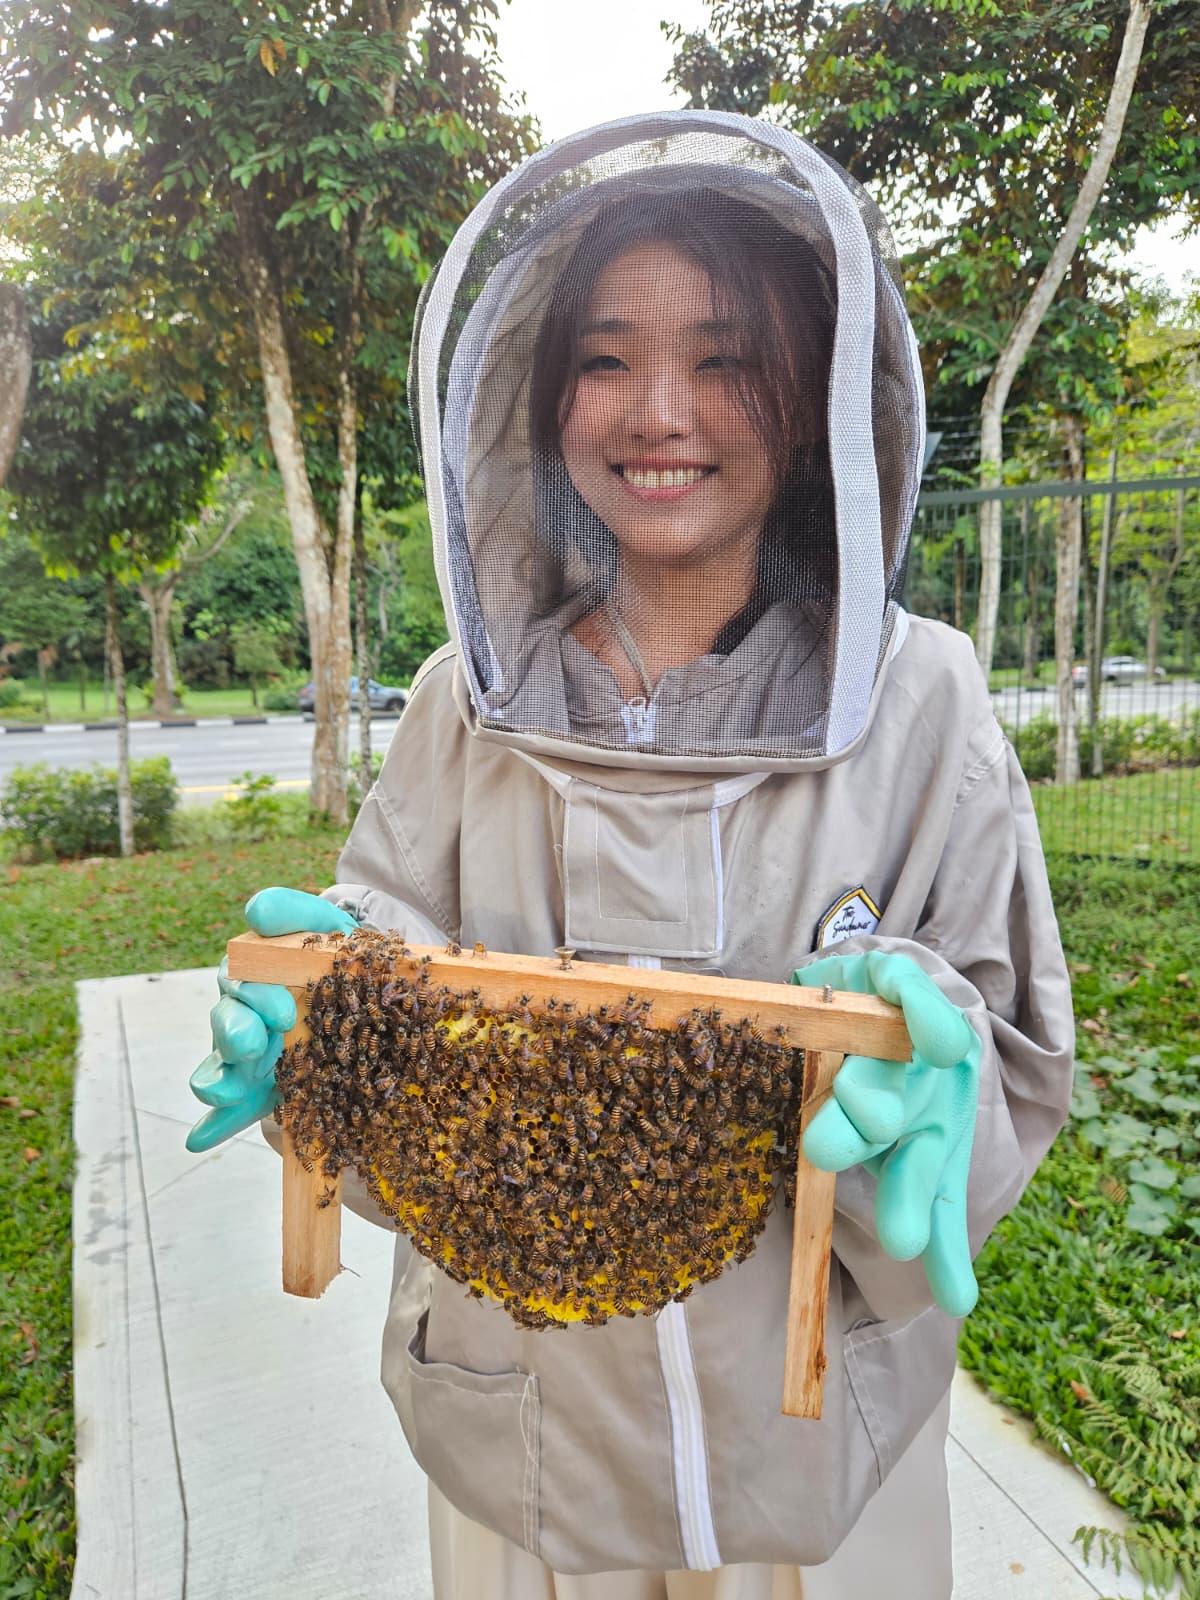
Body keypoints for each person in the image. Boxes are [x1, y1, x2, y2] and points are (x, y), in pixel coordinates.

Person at [189, 110, 1074, 1599]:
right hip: (517, 1450)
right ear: (537, 404)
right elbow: (382, 958)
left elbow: (1002, 1056)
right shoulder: (465, 708)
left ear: (813, 411)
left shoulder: (925, 705)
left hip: (810, 1464)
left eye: (727, 358)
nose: (658, 408)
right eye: (604, 356)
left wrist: (944, 1079)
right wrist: (315, 1040)